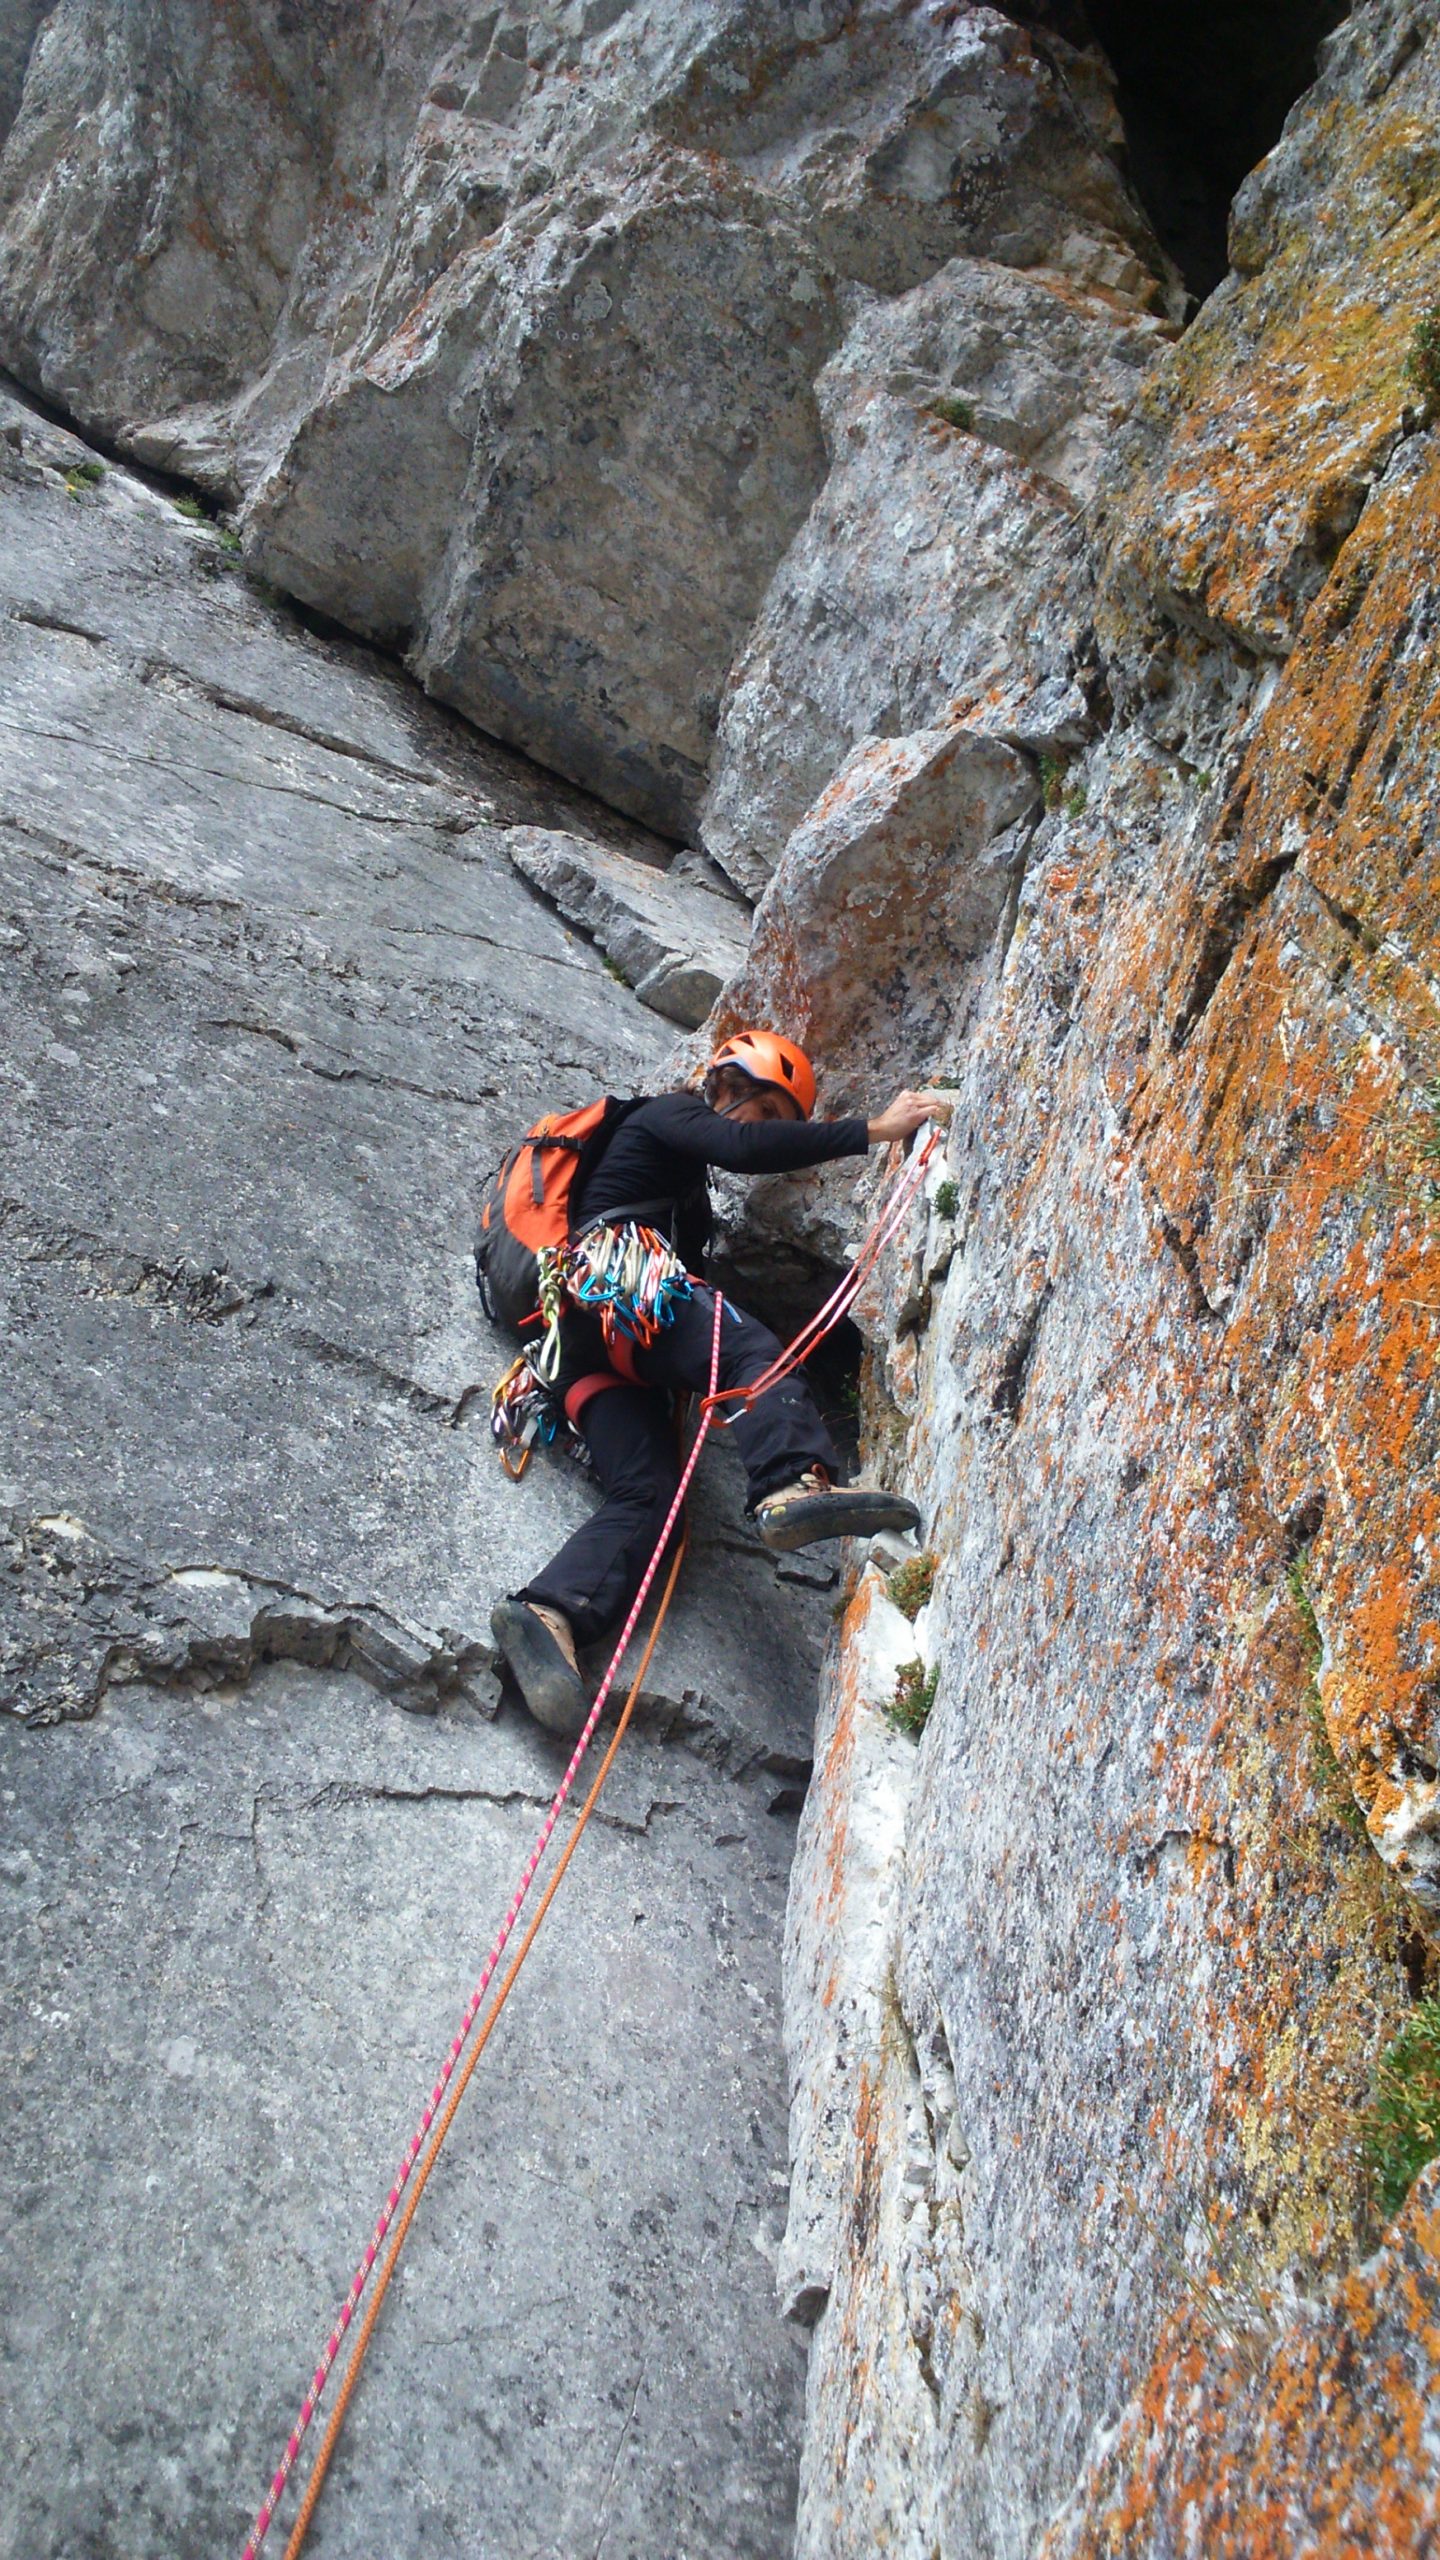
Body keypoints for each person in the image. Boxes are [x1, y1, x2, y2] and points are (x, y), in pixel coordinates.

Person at [489, 1028, 934, 1734]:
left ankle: (550, 1613)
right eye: (763, 1113)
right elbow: (741, 1151)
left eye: (776, 1126)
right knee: (745, 1346)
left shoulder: (678, 1193)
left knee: (651, 1498)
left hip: (578, 1351)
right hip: (617, 1286)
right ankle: (792, 1478)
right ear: (727, 1086)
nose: (763, 1135)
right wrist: (876, 1129)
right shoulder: (666, 1112)